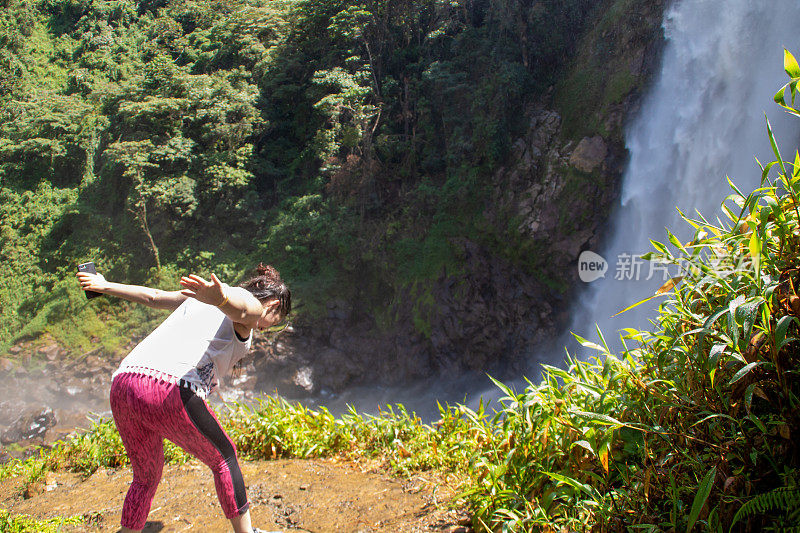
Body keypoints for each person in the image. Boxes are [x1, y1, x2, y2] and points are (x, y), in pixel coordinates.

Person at [76, 264, 291, 533]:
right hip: (168, 389)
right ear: (273, 305)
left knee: (145, 477)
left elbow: (153, 297)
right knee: (225, 458)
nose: (268, 326)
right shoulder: (246, 308)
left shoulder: (201, 299)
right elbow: (247, 309)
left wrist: (105, 286)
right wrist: (222, 299)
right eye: (276, 320)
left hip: (124, 383)